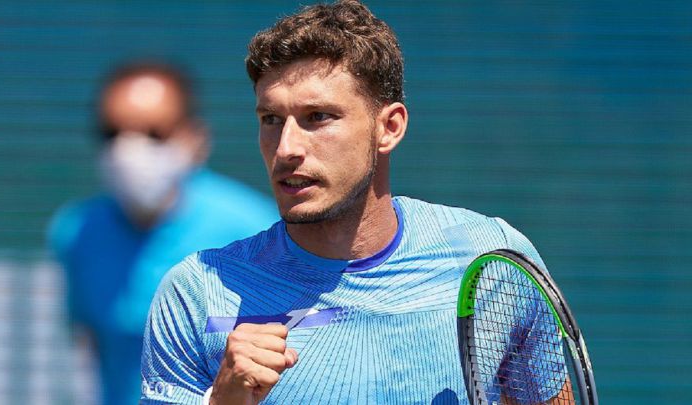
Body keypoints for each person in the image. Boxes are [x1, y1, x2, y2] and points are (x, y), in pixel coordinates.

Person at [140, 2, 568, 404]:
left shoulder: (494, 259)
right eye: (271, 119)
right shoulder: (196, 293)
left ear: (389, 127)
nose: (286, 146)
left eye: (318, 117)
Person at [48, 62, 279, 405]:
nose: (128, 152)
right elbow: (94, 345)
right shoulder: (78, 231)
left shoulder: (257, 230)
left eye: (154, 133)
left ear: (195, 139)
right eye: (112, 133)